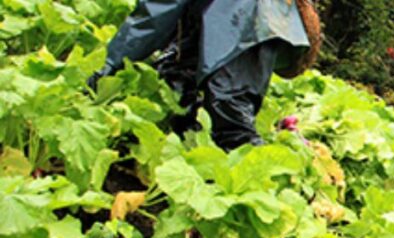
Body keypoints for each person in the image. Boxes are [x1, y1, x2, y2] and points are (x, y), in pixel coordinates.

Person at [87, 0, 311, 150]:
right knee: (179, 86)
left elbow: (154, 16)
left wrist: (109, 67)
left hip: (246, 21)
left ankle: (257, 194)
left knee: (231, 117)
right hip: (236, 18)